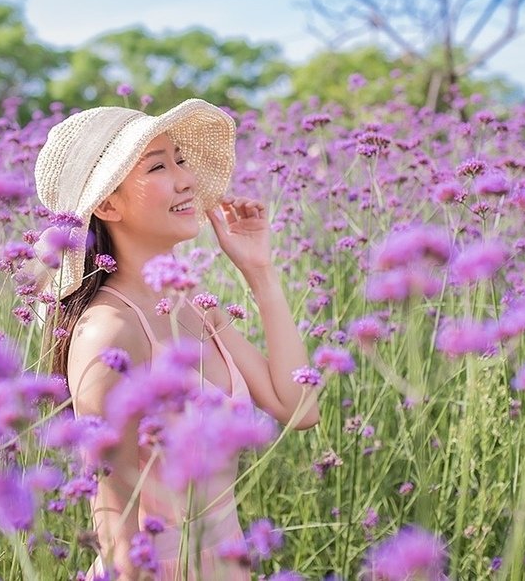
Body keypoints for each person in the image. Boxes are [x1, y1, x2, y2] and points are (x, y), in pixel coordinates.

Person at [31, 98, 320, 579]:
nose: (185, 180)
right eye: (159, 167)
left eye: (181, 161)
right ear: (107, 204)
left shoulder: (189, 301)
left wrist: (260, 272)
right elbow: (114, 523)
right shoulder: (109, 332)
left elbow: (299, 409)